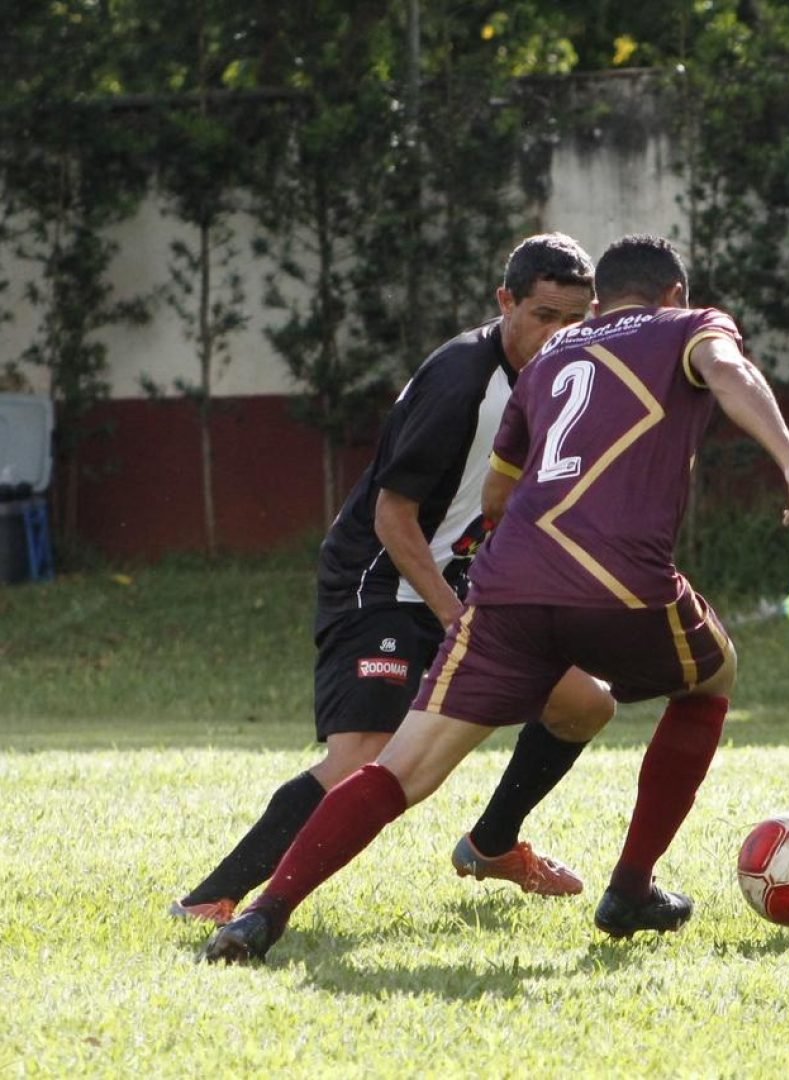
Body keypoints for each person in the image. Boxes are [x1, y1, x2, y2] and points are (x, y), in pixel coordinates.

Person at [202, 233, 789, 963]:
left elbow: (499, 495)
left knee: (402, 768)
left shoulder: (549, 359)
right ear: (673, 295)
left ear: (599, 301)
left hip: (505, 588)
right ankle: (631, 888)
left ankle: (262, 915)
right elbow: (729, 370)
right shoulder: (688, 326)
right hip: (609, 579)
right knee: (710, 680)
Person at [172, 233, 615, 926]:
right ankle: (210, 898)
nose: (558, 334)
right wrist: (455, 617)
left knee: (585, 704)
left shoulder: (564, 379)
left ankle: (492, 845)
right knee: (362, 758)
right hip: (381, 582)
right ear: (505, 302)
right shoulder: (462, 383)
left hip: (463, 584)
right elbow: (392, 516)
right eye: (543, 316)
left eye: (574, 319)